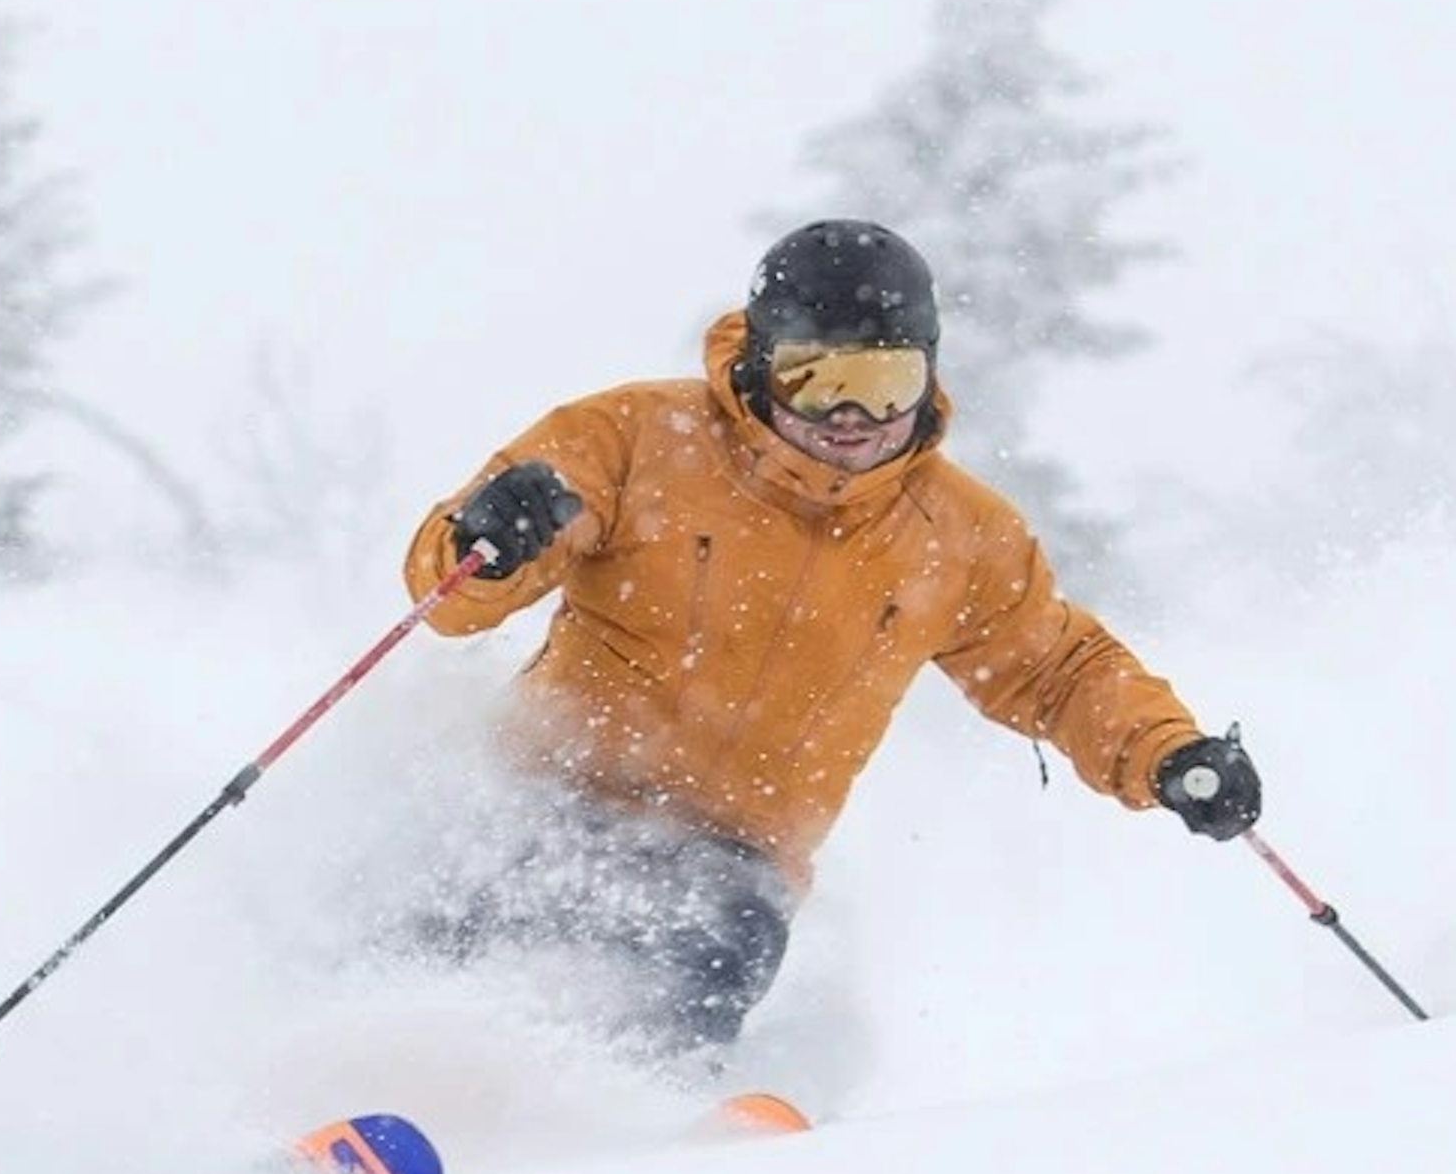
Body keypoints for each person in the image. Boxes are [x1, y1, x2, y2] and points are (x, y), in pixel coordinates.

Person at [397, 219, 1260, 1060]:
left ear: (928, 378)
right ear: (761, 364)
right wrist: (492, 536)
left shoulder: (955, 535)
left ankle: (619, 1132)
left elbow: (1057, 669)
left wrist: (1167, 751)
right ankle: (349, 1079)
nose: (852, 415)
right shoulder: (634, 441)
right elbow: (448, 598)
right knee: (446, 924)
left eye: (886, 383)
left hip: (731, 853)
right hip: (546, 792)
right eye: (817, 379)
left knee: (696, 958)